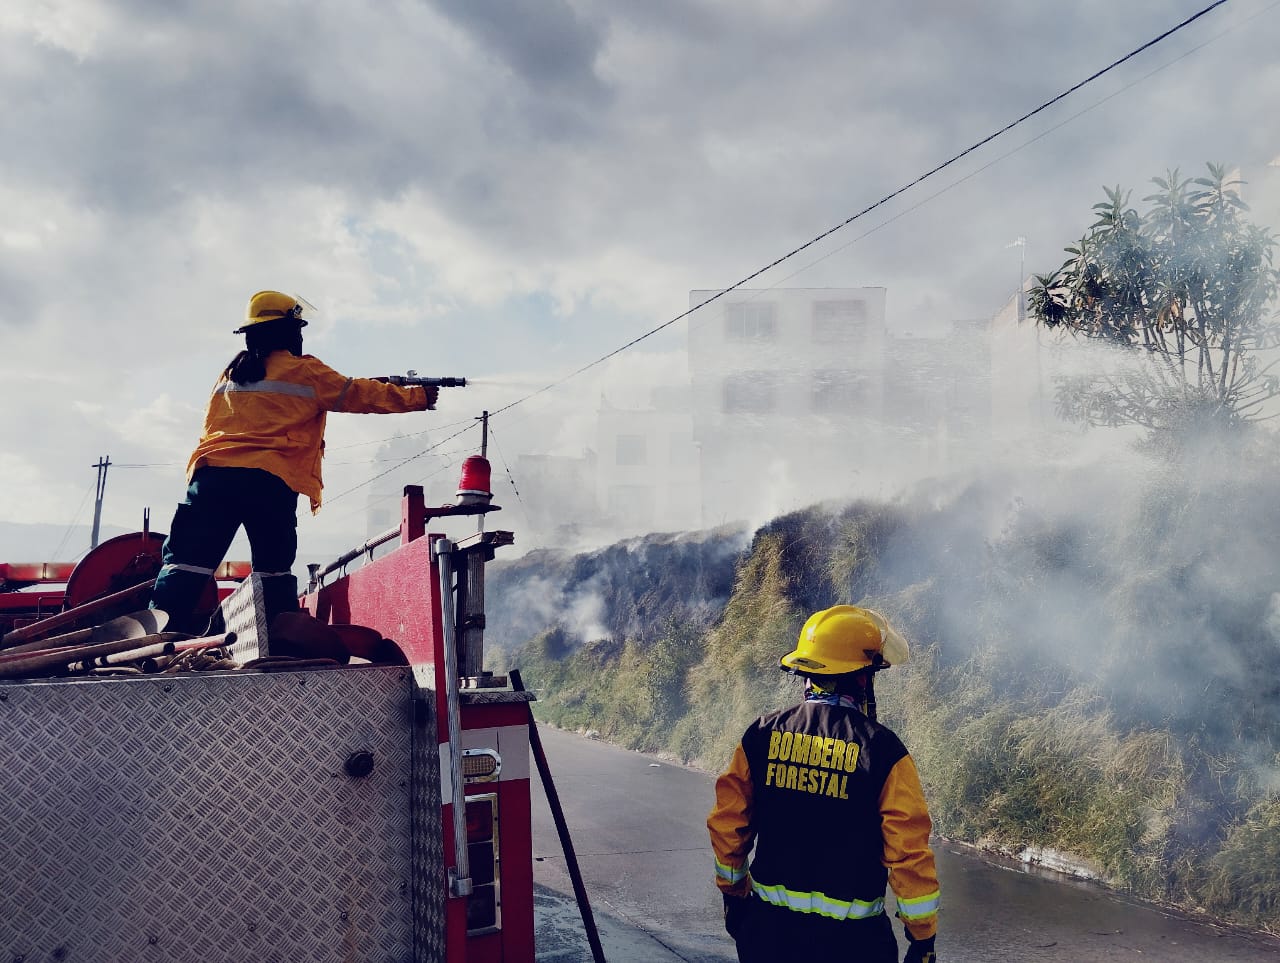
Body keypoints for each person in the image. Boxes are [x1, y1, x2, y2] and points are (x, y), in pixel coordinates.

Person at [149, 290, 439, 634]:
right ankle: (277, 638)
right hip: (268, 480)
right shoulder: (305, 372)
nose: (301, 336)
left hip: (212, 479)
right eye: (297, 328)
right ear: (286, 333)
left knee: (185, 565)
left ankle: (156, 639)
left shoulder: (232, 373)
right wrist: (418, 396)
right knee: (272, 571)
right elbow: (357, 394)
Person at [708, 605, 940, 963]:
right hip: (854, 946)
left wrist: (734, 895)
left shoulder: (760, 736)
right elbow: (908, 855)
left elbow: (729, 829)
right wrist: (922, 937)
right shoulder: (883, 751)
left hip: (768, 937)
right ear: (862, 679)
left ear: (807, 673)